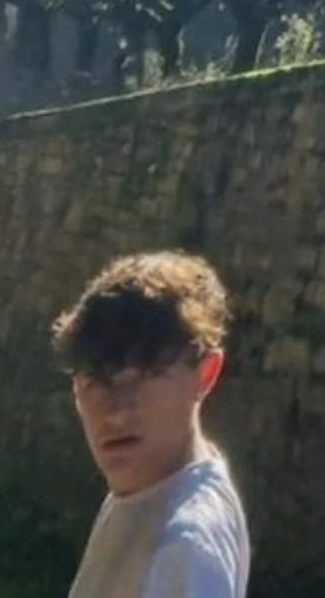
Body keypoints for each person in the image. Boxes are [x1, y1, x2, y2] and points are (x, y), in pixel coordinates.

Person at [51, 251, 251, 598]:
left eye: (144, 376)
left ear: (205, 374)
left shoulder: (185, 545)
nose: (115, 412)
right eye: (95, 381)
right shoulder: (146, 491)